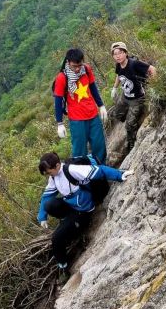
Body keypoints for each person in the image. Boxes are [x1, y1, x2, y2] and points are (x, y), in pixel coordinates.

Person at [37, 152, 134, 283]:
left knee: (57, 238)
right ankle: (69, 224)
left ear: (57, 165)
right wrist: (42, 216)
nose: (48, 175)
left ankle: (63, 268)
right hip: (71, 206)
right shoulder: (54, 177)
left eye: (49, 172)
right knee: (50, 204)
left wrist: (120, 174)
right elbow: (47, 196)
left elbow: (100, 171)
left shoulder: (72, 170)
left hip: (83, 210)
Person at [54, 48, 108, 164]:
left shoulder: (86, 69)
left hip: (93, 114)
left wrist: (101, 105)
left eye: (79, 65)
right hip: (77, 119)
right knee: (79, 152)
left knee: (100, 147)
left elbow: (93, 88)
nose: (78, 69)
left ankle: (101, 173)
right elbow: (58, 101)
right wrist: (60, 123)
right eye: (74, 66)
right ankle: (83, 179)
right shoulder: (62, 78)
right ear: (68, 63)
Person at [109, 42, 156, 154]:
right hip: (125, 96)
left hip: (137, 98)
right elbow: (118, 75)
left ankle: (132, 144)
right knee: (117, 114)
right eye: (115, 54)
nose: (118, 56)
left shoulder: (134, 64)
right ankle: (132, 116)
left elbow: (152, 69)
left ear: (126, 53)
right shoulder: (118, 64)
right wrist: (114, 88)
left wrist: (155, 86)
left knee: (129, 125)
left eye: (120, 53)